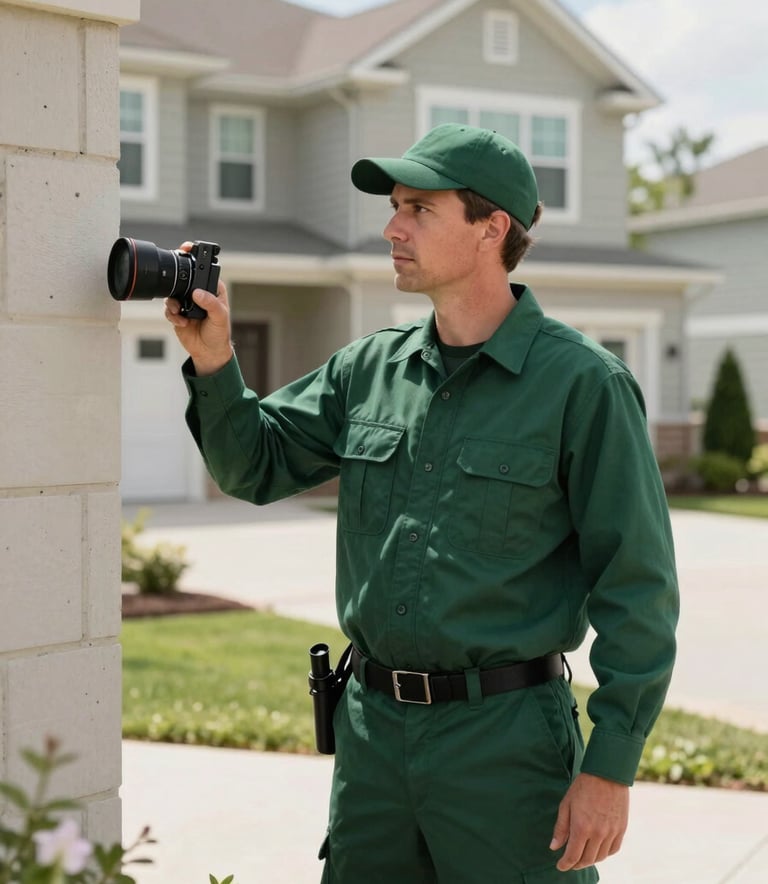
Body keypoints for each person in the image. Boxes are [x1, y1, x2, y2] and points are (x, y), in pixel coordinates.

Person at [165, 123, 679, 883]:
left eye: (418, 209)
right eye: (395, 207)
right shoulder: (368, 369)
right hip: (372, 738)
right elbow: (254, 467)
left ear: (491, 226)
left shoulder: (583, 385)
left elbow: (637, 587)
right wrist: (213, 359)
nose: (391, 228)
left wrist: (611, 767)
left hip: (505, 747)